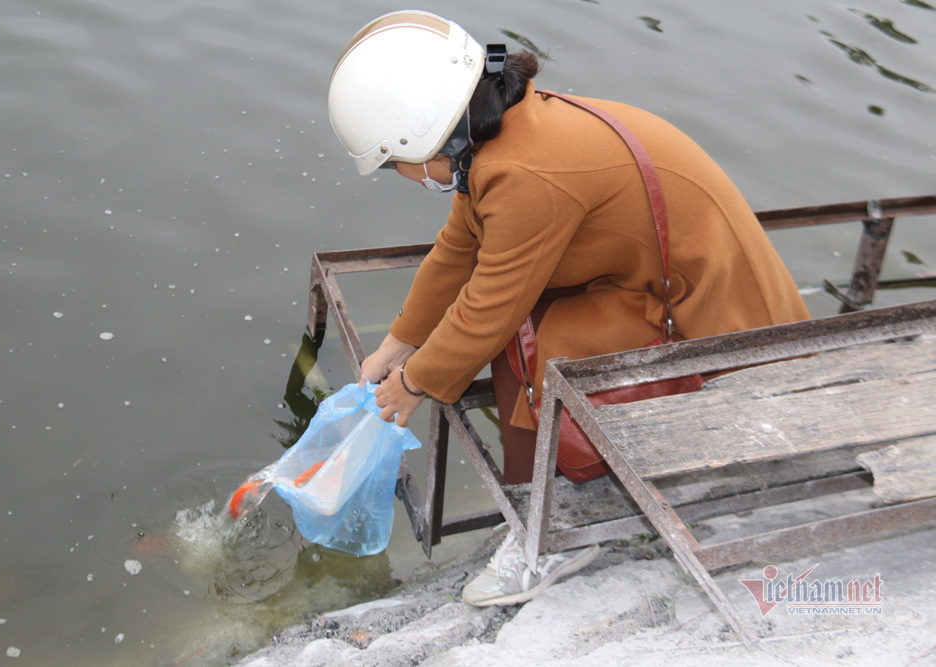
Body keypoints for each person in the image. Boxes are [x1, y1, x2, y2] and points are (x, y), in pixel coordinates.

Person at [326, 11, 810, 606]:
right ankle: (541, 498)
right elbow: (458, 253)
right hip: (659, 277)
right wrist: (396, 346)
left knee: (518, 337)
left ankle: (549, 535)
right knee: (503, 322)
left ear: (422, 134)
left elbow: (487, 308)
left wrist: (414, 383)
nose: (395, 175)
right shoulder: (502, 133)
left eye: (390, 162)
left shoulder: (525, 174)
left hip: (710, 312)